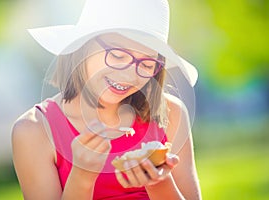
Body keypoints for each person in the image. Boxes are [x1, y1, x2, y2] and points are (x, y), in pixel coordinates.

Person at [12, 0, 201, 199]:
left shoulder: (171, 113)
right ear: (82, 47)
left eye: (147, 63)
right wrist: (82, 176)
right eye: (118, 55)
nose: (129, 75)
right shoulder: (34, 130)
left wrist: (158, 182)